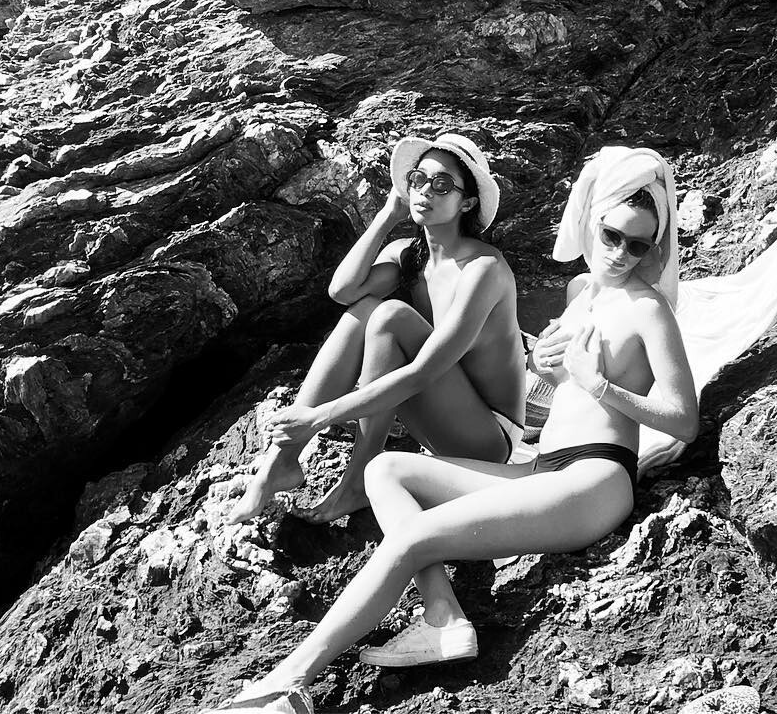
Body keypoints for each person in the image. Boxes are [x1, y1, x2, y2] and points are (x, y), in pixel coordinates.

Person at [205, 146, 698, 714]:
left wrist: (598, 383)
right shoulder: (580, 292)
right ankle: (442, 614)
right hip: (541, 469)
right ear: (593, 222)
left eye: (639, 245)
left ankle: (282, 687)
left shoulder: (647, 308)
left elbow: (682, 419)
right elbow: (554, 383)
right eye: (612, 235)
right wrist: (548, 369)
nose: (620, 253)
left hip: (595, 478)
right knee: (386, 470)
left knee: (415, 538)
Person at [228, 132, 526, 525]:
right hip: (441, 414)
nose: (425, 191)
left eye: (442, 185)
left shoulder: (483, 269)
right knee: (367, 308)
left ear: (467, 202)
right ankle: (280, 464)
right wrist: (387, 216)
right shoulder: (410, 256)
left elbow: (423, 373)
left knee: (390, 317)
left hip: (488, 440)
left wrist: (319, 418)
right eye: (418, 179)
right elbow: (342, 291)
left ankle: (357, 483)